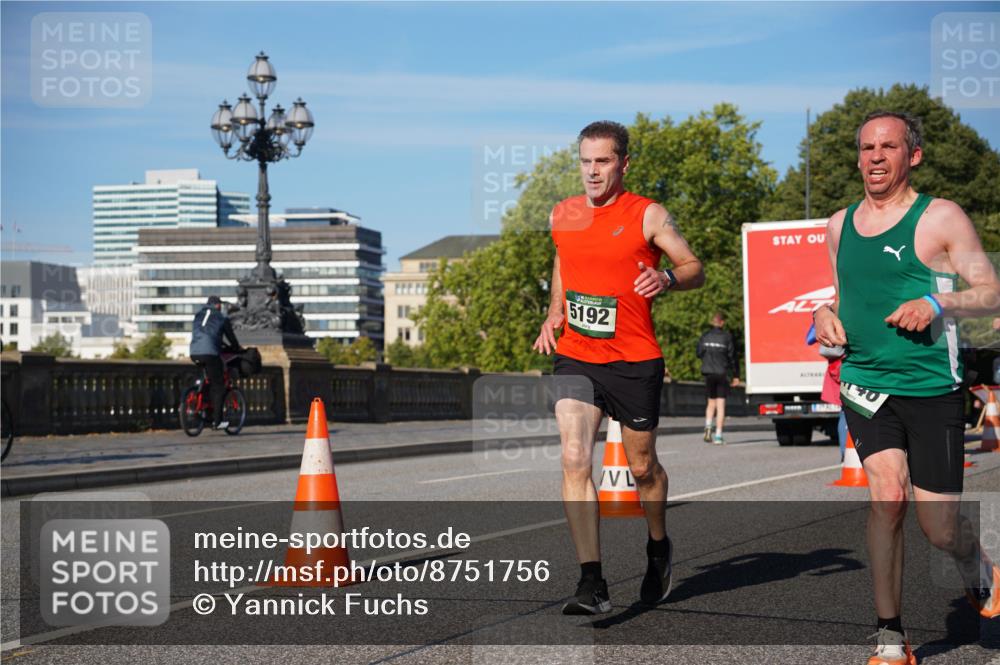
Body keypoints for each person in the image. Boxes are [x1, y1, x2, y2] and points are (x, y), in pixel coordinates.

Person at [813, 111, 1000, 664]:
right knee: (887, 497)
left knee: (940, 527)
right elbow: (843, 294)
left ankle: (980, 568)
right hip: (866, 385)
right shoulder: (837, 224)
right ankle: (891, 636)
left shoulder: (939, 217)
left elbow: (990, 291)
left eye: (887, 147)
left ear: (911, 155)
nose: (874, 157)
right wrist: (826, 312)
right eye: (867, 147)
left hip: (932, 389)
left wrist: (937, 302)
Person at [533, 120, 704, 615]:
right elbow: (563, 264)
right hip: (577, 353)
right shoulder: (563, 213)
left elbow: (694, 267)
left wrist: (667, 277)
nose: (592, 171)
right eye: (585, 161)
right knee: (573, 459)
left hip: (634, 358)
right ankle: (592, 583)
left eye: (602, 161)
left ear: (623, 164)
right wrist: (554, 312)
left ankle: (658, 546)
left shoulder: (647, 214)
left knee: (642, 467)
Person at [189, 295, 241, 430]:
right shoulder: (221, 318)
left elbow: (205, 334)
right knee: (219, 387)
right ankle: (217, 422)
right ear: (218, 305)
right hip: (210, 353)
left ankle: (201, 401)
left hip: (194, 352)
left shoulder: (198, 315)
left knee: (208, 380)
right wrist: (237, 348)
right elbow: (231, 338)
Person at [696, 312, 739, 444]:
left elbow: (699, 353)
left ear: (712, 322)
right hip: (722, 373)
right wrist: (736, 375)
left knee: (710, 403)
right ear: (722, 322)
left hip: (708, 372)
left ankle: (708, 427)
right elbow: (732, 357)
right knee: (720, 405)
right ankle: (718, 436)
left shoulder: (705, 336)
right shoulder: (727, 337)